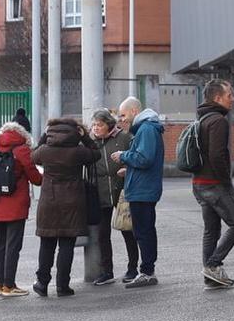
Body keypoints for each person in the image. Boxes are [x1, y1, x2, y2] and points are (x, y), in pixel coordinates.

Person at [30, 116, 99, 297]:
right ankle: (62, 286)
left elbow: (33, 155)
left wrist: (44, 137)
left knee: (47, 244)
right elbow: (96, 153)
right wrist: (84, 137)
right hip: (72, 202)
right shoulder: (78, 151)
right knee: (66, 245)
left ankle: (42, 283)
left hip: (49, 202)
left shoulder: (44, 151)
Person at [188, 80, 234, 288]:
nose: (233, 98)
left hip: (199, 183)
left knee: (211, 230)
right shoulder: (218, 121)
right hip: (214, 184)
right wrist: (226, 181)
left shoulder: (202, 117)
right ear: (217, 98)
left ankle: (210, 277)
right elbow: (217, 155)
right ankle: (213, 265)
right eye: (229, 95)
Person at [0, 116, 42, 293]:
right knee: (13, 245)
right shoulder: (22, 149)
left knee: (0, 244)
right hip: (16, 203)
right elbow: (35, 178)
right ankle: (9, 285)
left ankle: (1, 284)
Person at [113, 95, 166, 288]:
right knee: (144, 230)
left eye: (123, 114)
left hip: (143, 190)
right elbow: (145, 159)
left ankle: (147, 271)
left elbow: (144, 158)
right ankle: (147, 270)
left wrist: (123, 156)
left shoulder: (146, 129)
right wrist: (129, 170)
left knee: (143, 231)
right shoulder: (147, 128)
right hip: (143, 187)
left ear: (135, 111)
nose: (121, 119)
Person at [84, 109, 124, 285]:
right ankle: (107, 271)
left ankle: (133, 268)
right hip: (99, 195)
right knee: (102, 235)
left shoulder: (123, 138)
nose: (96, 128)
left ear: (109, 124)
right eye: (94, 125)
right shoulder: (90, 143)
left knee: (128, 230)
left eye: (99, 125)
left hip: (121, 192)